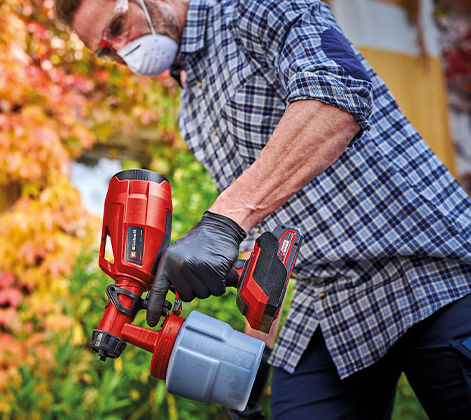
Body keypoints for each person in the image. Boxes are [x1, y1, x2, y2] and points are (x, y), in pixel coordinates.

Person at [55, 0, 471, 418]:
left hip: (425, 269)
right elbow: (261, 231)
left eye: (118, 25)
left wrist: (222, 222)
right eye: (106, 50)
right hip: (325, 305)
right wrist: (250, 358)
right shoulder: (192, 111)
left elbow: (338, 90)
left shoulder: (253, 8)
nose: (119, 50)